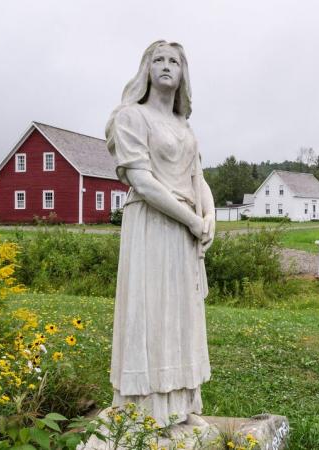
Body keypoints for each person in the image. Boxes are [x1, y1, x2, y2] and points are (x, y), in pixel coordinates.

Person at [105, 40, 215, 426]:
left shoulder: (185, 127)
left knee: (181, 315)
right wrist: (191, 219)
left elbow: (197, 178)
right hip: (152, 225)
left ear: (183, 73)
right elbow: (144, 182)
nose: (166, 66)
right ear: (146, 69)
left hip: (184, 233)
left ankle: (181, 405)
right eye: (159, 59)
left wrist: (210, 215)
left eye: (174, 61)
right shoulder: (131, 117)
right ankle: (144, 409)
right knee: (150, 311)